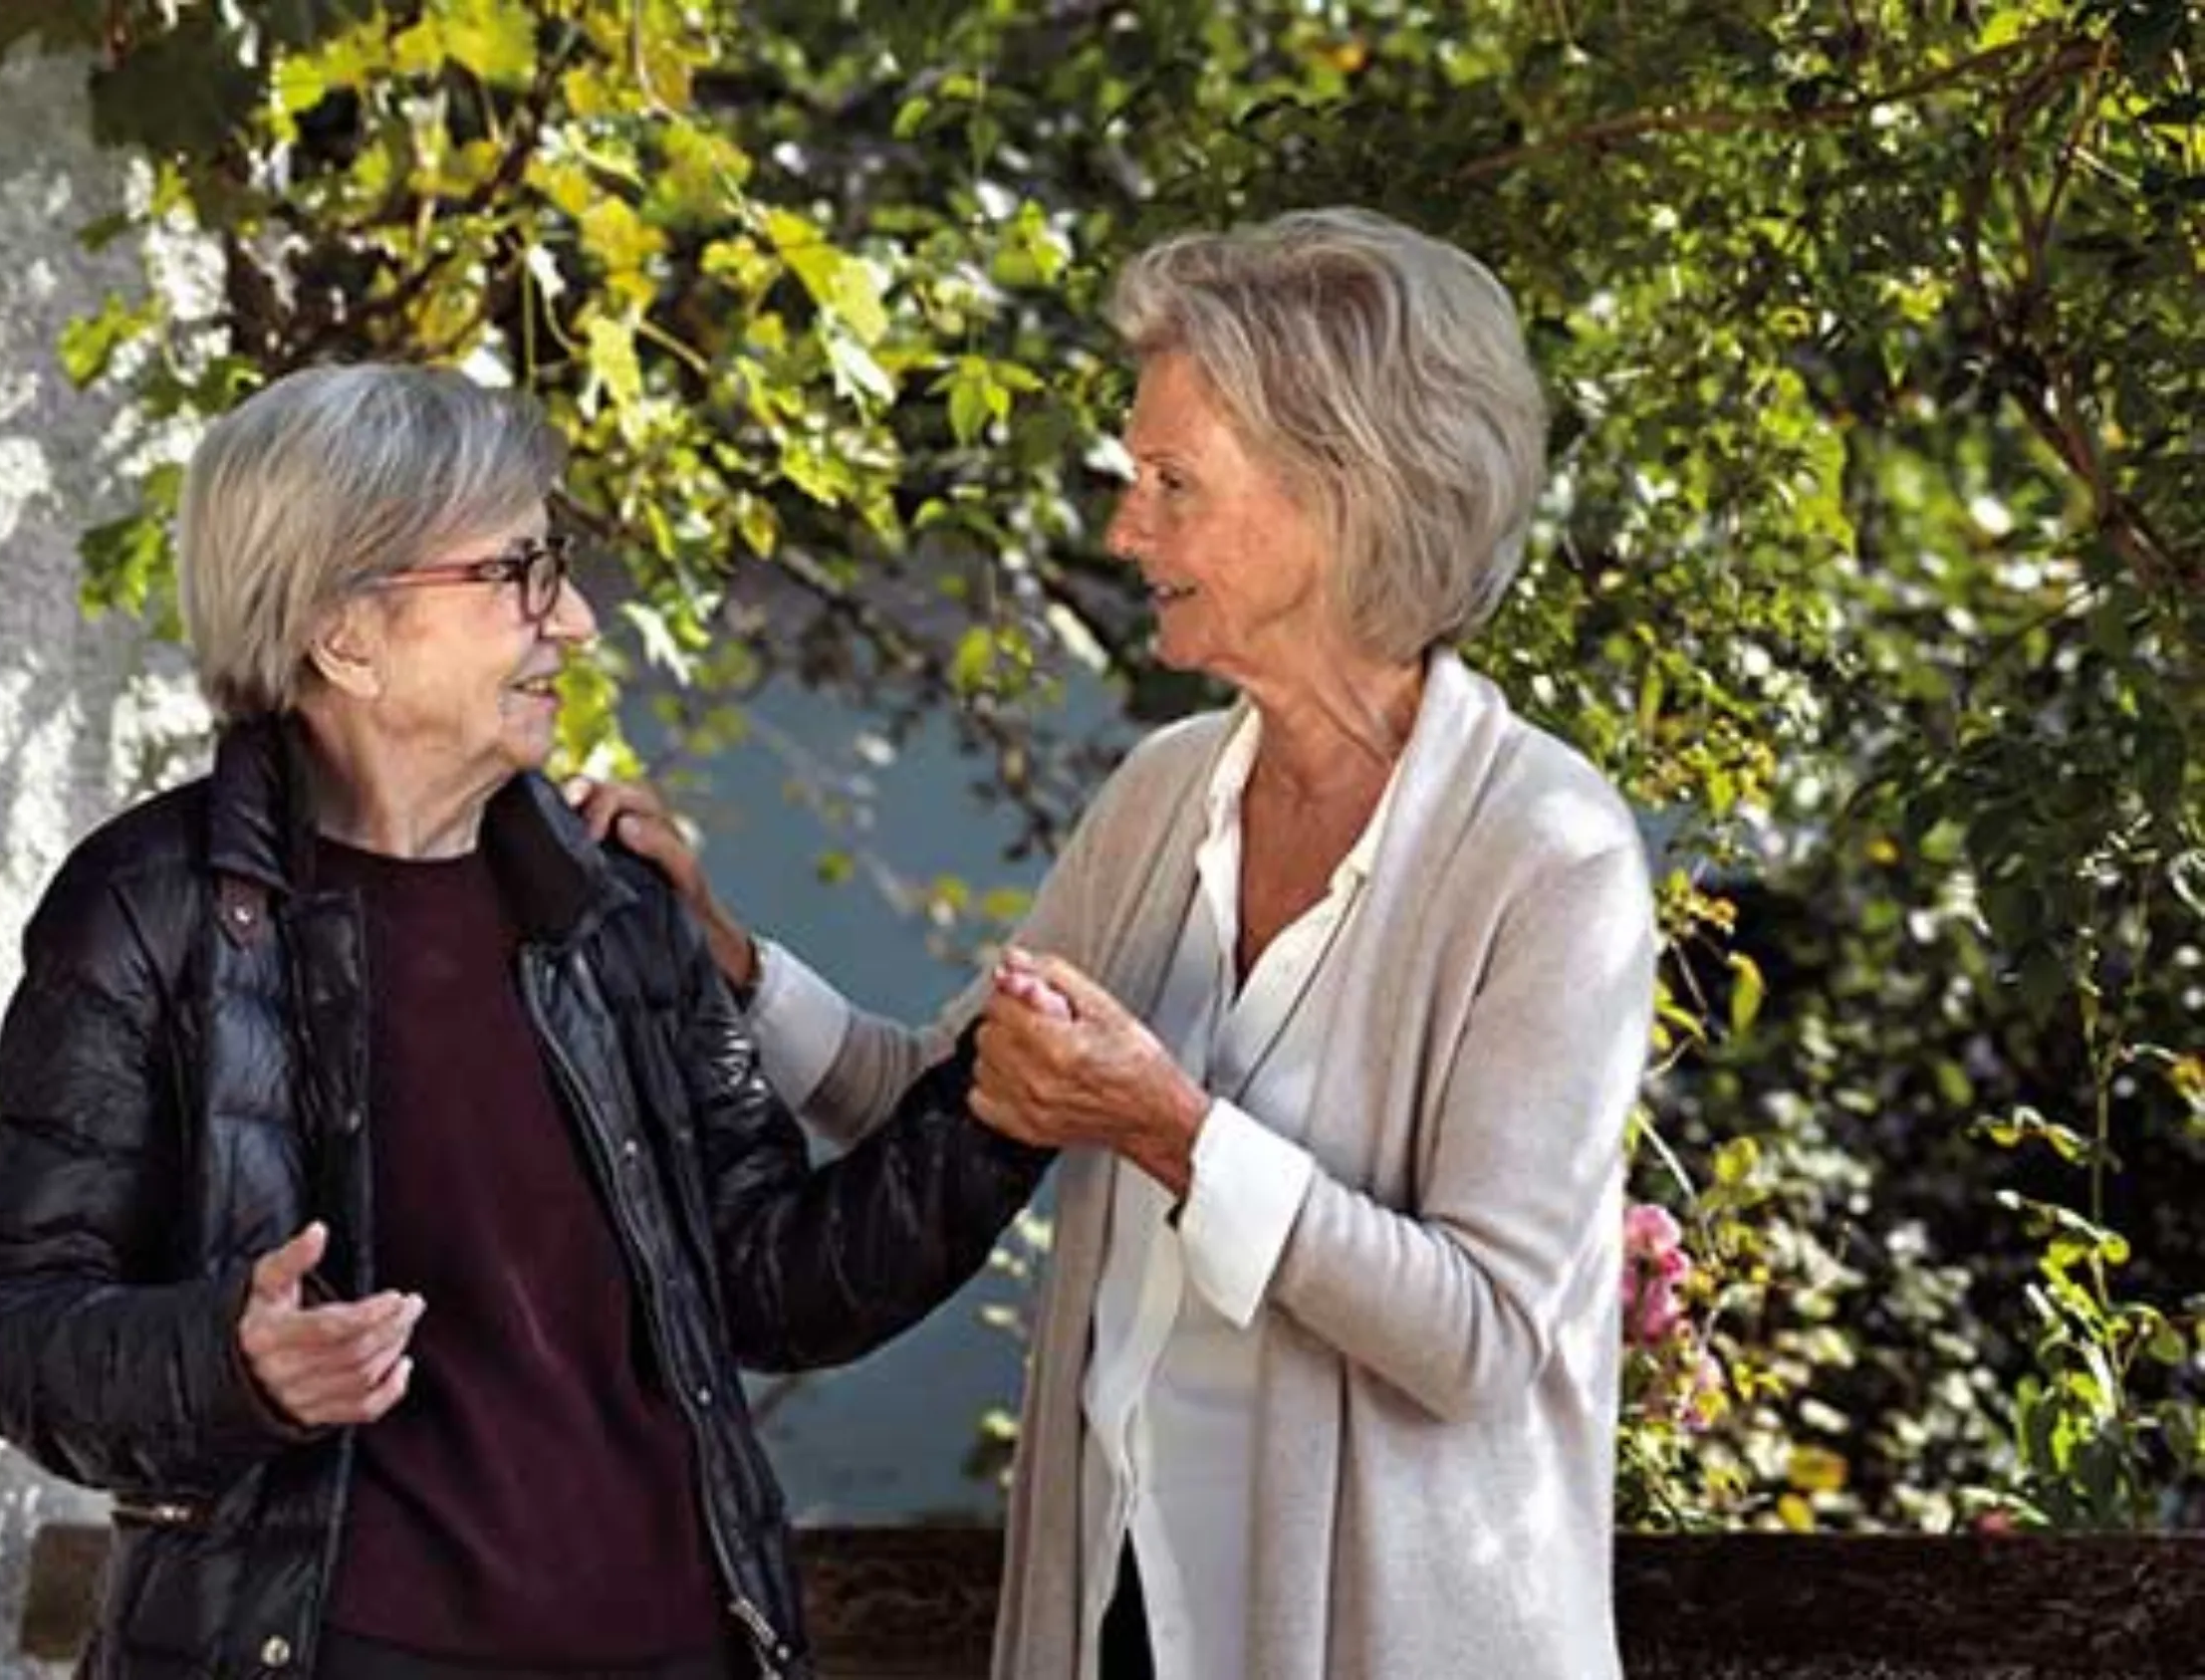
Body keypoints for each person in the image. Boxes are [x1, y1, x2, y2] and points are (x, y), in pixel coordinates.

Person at [584, 208, 1657, 1680]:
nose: (1123, 529)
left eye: (1170, 482)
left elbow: (1478, 1336)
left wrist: (1168, 1126)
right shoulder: (1163, 795)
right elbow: (942, 1092)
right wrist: (731, 961)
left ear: (1341, 497)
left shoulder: (1550, 851)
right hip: (1123, 1615)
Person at [0, 364, 1049, 1680]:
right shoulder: (151, 910)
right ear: (348, 632)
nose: (572, 619)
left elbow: (765, 1281)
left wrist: (997, 1106)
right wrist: (233, 1363)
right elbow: (14, 1325)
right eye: (518, 572)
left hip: (682, 1646)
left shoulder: (611, 903)